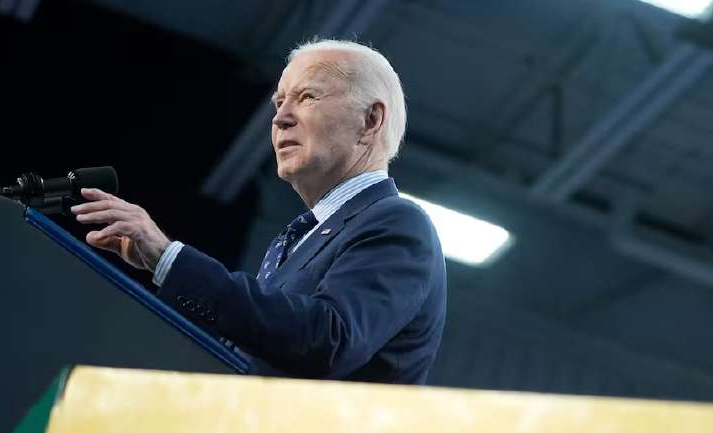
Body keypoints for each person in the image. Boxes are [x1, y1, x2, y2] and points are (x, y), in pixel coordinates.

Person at [70, 39, 446, 384]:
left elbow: (327, 340)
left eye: (307, 97)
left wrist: (171, 260)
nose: (280, 118)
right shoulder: (296, 239)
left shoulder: (398, 223)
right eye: (279, 102)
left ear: (370, 121)